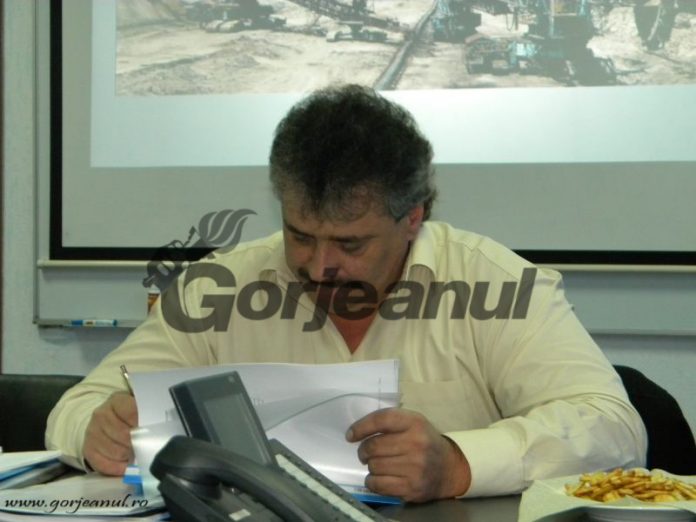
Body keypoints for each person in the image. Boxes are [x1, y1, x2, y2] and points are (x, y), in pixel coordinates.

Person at [46, 84, 646, 502]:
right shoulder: (219, 289)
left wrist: (458, 463)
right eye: (300, 235)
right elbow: (78, 406)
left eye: (350, 243)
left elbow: (613, 428)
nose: (318, 265)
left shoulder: (494, 282)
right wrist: (96, 431)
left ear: (413, 218)